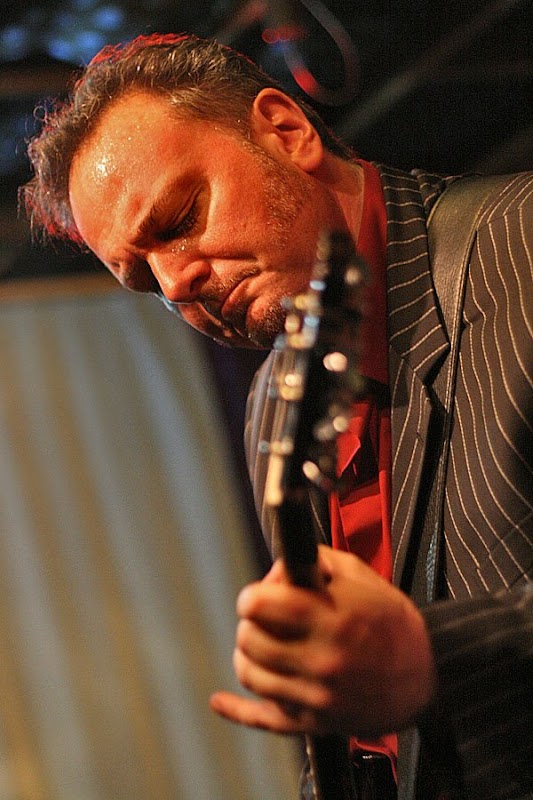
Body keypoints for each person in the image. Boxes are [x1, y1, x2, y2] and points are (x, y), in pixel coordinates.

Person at [20, 33, 532, 800]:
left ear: (285, 131)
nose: (176, 283)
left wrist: (435, 660)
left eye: (180, 217)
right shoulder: (271, 405)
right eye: (144, 281)